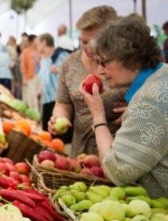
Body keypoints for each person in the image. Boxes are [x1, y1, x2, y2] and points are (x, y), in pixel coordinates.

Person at [79, 16, 166, 198]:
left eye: (105, 62)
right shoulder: (162, 75)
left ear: (131, 59)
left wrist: (98, 116)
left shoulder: (149, 99)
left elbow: (117, 171)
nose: (100, 71)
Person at [48, 5, 128, 157]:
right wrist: (59, 118)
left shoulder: (125, 63)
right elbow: (62, 103)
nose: (86, 47)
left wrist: (136, 110)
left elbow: (151, 93)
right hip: (81, 154)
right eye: (82, 41)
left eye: (92, 42)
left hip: (120, 154)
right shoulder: (69, 63)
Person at [37, 33, 69, 131]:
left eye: (39, 43)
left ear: (44, 42)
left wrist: (58, 70)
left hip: (59, 100)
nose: (37, 46)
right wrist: (39, 90)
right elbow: (43, 78)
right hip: (46, 100)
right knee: (48, 131)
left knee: (59, 130)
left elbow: (71, 72)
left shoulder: (61, 55)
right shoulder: (43, 59)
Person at [21, 34, 40, 112]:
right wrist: (24, 78)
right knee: (31, 97)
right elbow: (23, 66)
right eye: (36, 40)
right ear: (32, 41)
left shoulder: (39, 50)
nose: (38, 41)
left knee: (38, 97)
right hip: (30, 77)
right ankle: (33, 114)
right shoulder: (26, 52)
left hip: (39, 77)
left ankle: (39, 114)